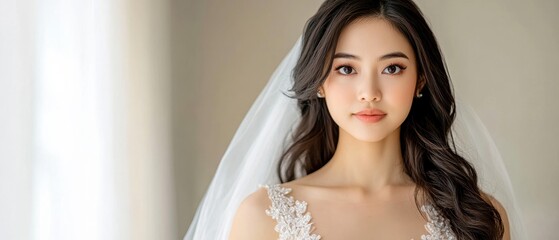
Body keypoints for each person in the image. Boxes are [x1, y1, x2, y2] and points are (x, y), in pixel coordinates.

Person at [186, 0, 524, 239]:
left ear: (420, 80)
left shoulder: (474, 217)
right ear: (319, 81)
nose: (369, 92)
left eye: (393, 68)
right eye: (346, 69)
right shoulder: (263, 217)